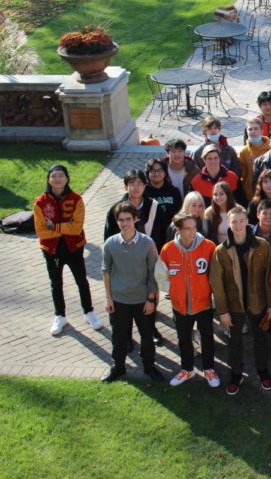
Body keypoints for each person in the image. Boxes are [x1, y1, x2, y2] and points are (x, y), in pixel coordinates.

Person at [209, 206, 271, 395]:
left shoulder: (262, 246)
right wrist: (222, 311)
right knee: (235, 341)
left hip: (259, 303)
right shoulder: (221, 251)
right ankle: (236, 373)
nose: (238, 225)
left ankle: (262, 371)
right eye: (234, 222)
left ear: (248, 221)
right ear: (228, 224)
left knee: (261, 338)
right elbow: (217, 283)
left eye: (241, 221)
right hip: (234, 305)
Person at [34, 164, 102, 336]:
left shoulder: (76, 199)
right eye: (53, 176)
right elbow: (41, 231)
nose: (57, 179)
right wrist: (66, 226)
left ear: (67, 178)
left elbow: (76, 228)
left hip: (74, 248)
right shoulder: (40, 202)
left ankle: (89, 312)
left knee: (81, 281)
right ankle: (60, 315)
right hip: (51, 249)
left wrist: (54, 226)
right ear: (49, 179)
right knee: (56, 284)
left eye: (61, 176)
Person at [155, 213, 219, 388]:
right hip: (180, 305)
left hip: (204, 302)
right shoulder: (168, 249)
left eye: (194, 227)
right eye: (188, 229)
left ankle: (209, 369)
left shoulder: (209, 247)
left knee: (206, 336)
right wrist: (173, 291)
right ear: (178, 230)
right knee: (183, 338)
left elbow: (216, 275)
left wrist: (212, 293)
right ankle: (187, 368)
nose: (192, 232)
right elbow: (161, 275)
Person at [100, 203, 161, 383]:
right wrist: (108, 298)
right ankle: (118, 367)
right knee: (118, 338)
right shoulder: (110, 244)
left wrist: (151, 299)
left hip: (143, 300)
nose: (125, 223)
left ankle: (149, 368)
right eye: (121, 220)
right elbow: (106, 271)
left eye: (128, 219)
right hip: (119, 300)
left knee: (147, 337)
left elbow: (154, 273)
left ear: (135, 219)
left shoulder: (148, 243)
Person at [103, 168, 161, 243]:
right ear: (126, 187)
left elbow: (160, 233)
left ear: (144, 186)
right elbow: (109, 236)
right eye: (132, 184)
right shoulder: (115, 210)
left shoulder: (154, 206)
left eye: (139, 184)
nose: (136, 188)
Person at [144, 158, 183, 251]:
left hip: (170, 231)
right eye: (153, 171)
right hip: (150, 232)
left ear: (165, 173)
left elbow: (179, 212)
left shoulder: (173, 191)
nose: (156, 173)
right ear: (147, 173)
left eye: (159, 170)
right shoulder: (144, 192)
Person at [238, 118, 271, 201]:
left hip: (269, 192)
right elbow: (242, 174)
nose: (253, 131)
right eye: (250, 129)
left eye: (256, 129)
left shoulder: (270, 149)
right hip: (250, 195)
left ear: (262, 131)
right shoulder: (244, 152)